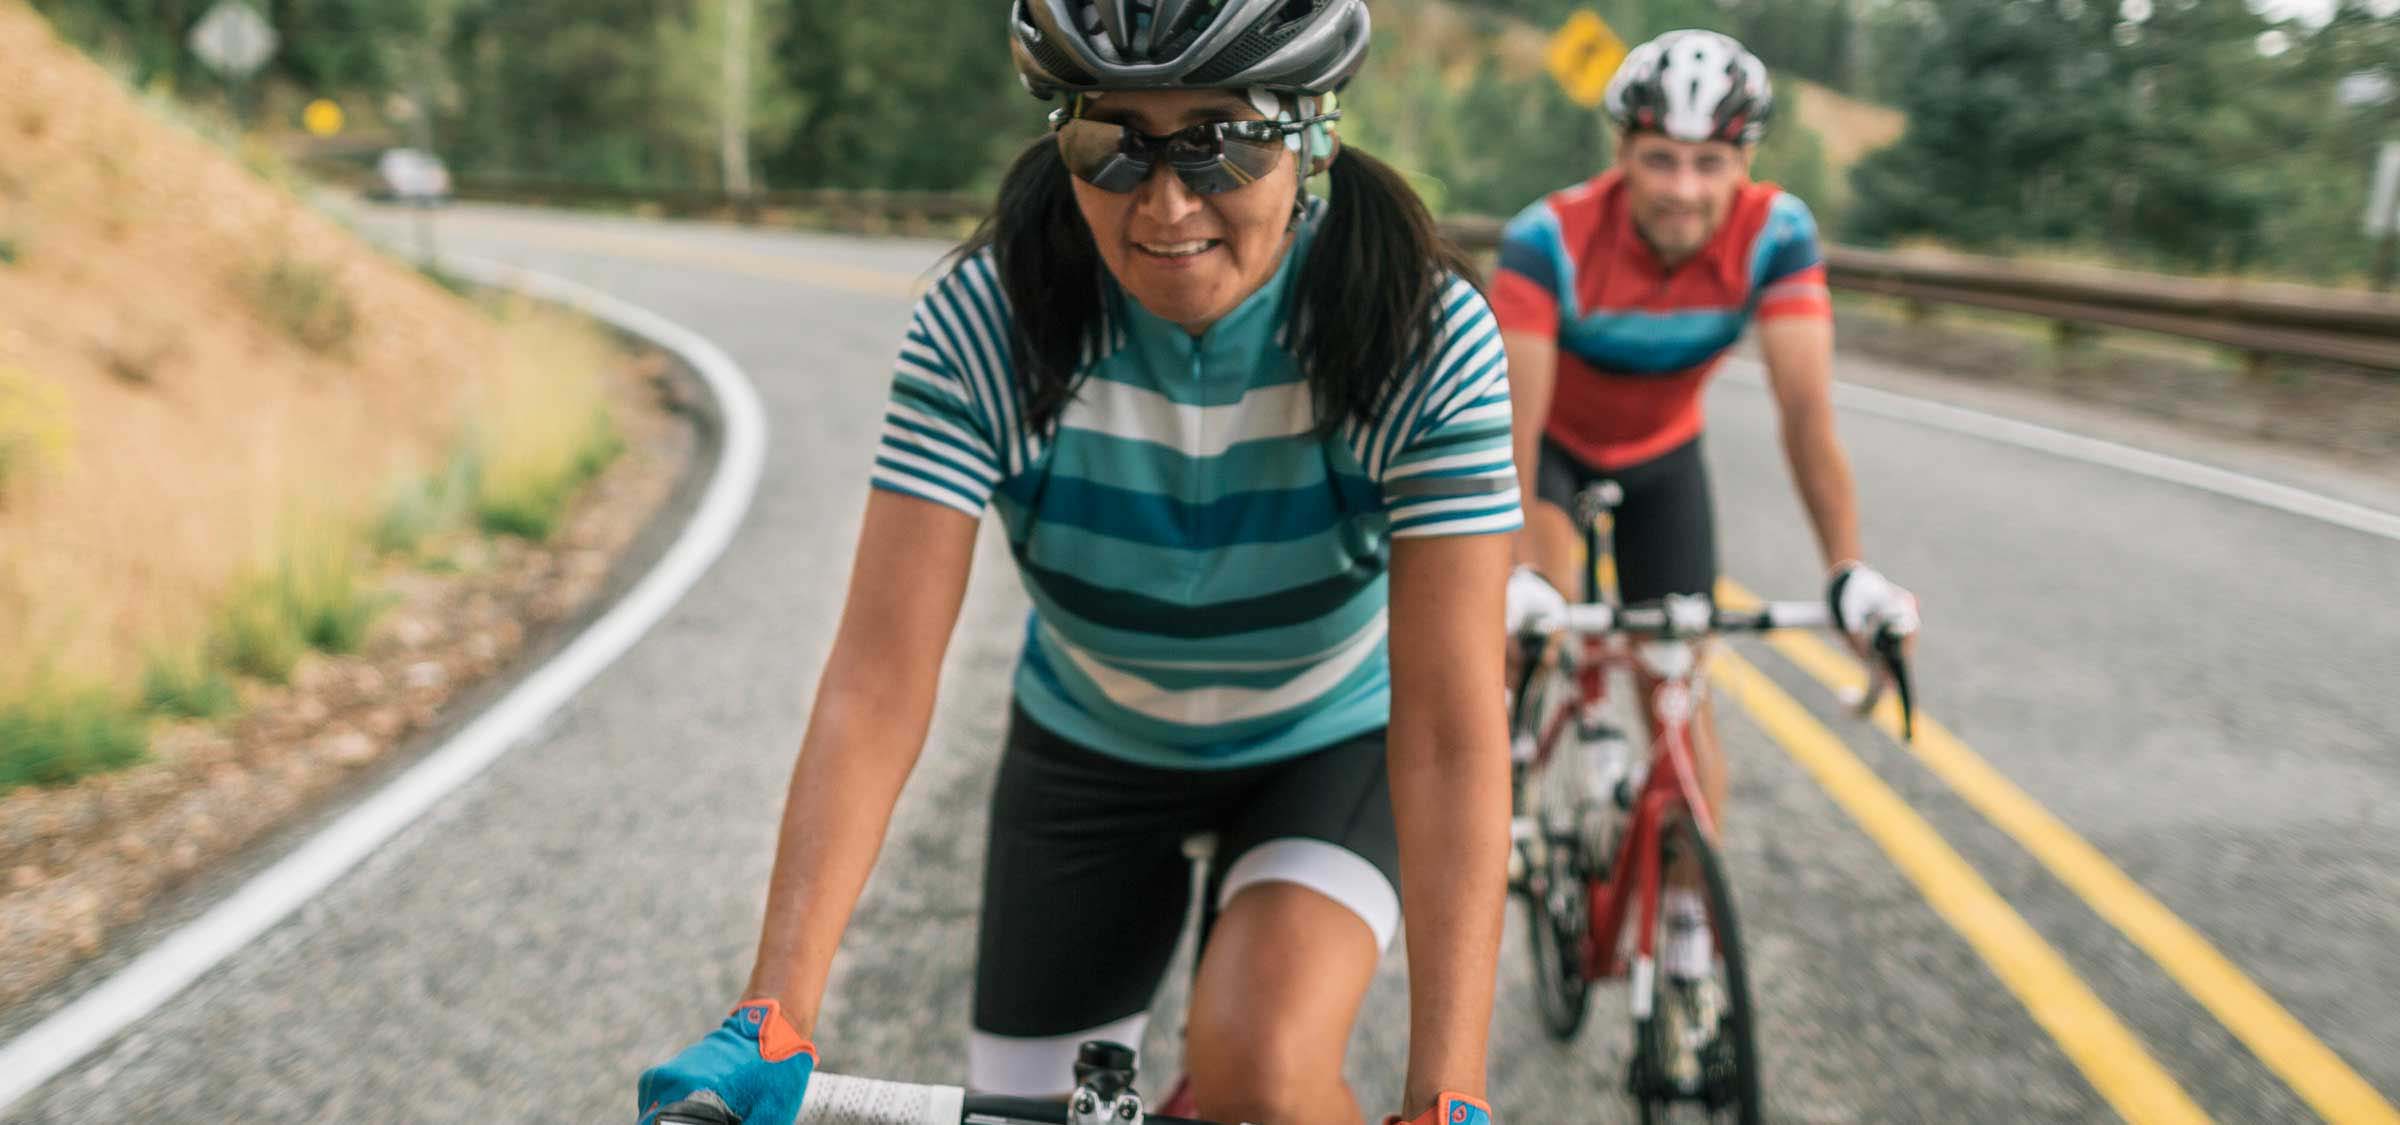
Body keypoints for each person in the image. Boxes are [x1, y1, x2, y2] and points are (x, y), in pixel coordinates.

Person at [636, 3, 1518, 1124]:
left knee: (1263, 1060)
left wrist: (1447, 1093)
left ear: (1314, 136)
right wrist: (773, 1011)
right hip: (1092, 744)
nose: (1165, 202)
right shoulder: (987, 320)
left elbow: (1447, 728)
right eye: (1114, 145)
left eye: (1220, 140)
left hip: (1322, 736)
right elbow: (878, 680)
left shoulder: (1417, 331)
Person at [1492, 27, 1919, 1012]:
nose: (1684, 189)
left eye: (1709, 164)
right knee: (1535, 621)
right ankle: (1510, 771)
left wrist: (1848, 568)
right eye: (1661, 161)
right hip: (1553, 452)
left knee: (1681, 694)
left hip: (1661, 465)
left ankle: (1685, 929)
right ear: (1621, 155)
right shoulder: (1546, 238)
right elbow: (1514, 432)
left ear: (1745, 163)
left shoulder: (1777, 234)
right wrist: (1521, 579)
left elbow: (1805, 413)